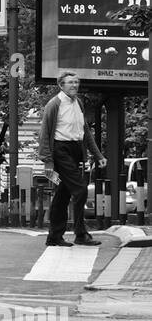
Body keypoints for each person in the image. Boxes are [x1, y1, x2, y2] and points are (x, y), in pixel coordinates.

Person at [38, 69, 106, 247]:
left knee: (63, 193)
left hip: (77, 149)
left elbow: (85, 132)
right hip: (61, 150)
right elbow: (45, 133)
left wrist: (97, 154)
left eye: (76, 82)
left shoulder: (79, 103)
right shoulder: (54, 104)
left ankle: (54, 236)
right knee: (81, 189)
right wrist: (48, 161)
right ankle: (80, 234)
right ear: (61, 85)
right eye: (70, 82)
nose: (75, 85)